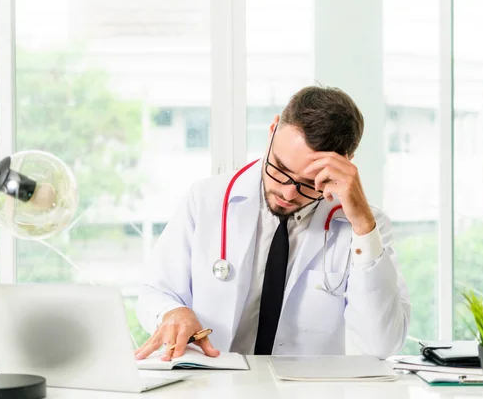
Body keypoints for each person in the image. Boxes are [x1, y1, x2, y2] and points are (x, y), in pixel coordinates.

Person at [134, 86, 411, 361]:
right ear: (272, 130)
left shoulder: (364, 229)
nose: (289, 193)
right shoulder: (206, 200)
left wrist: (363, 226)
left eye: (309, 183)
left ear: (346, 165)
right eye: (281, 169)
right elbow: (154, 292)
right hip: (214, 385)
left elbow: (381, 346)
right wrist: (171, 312)